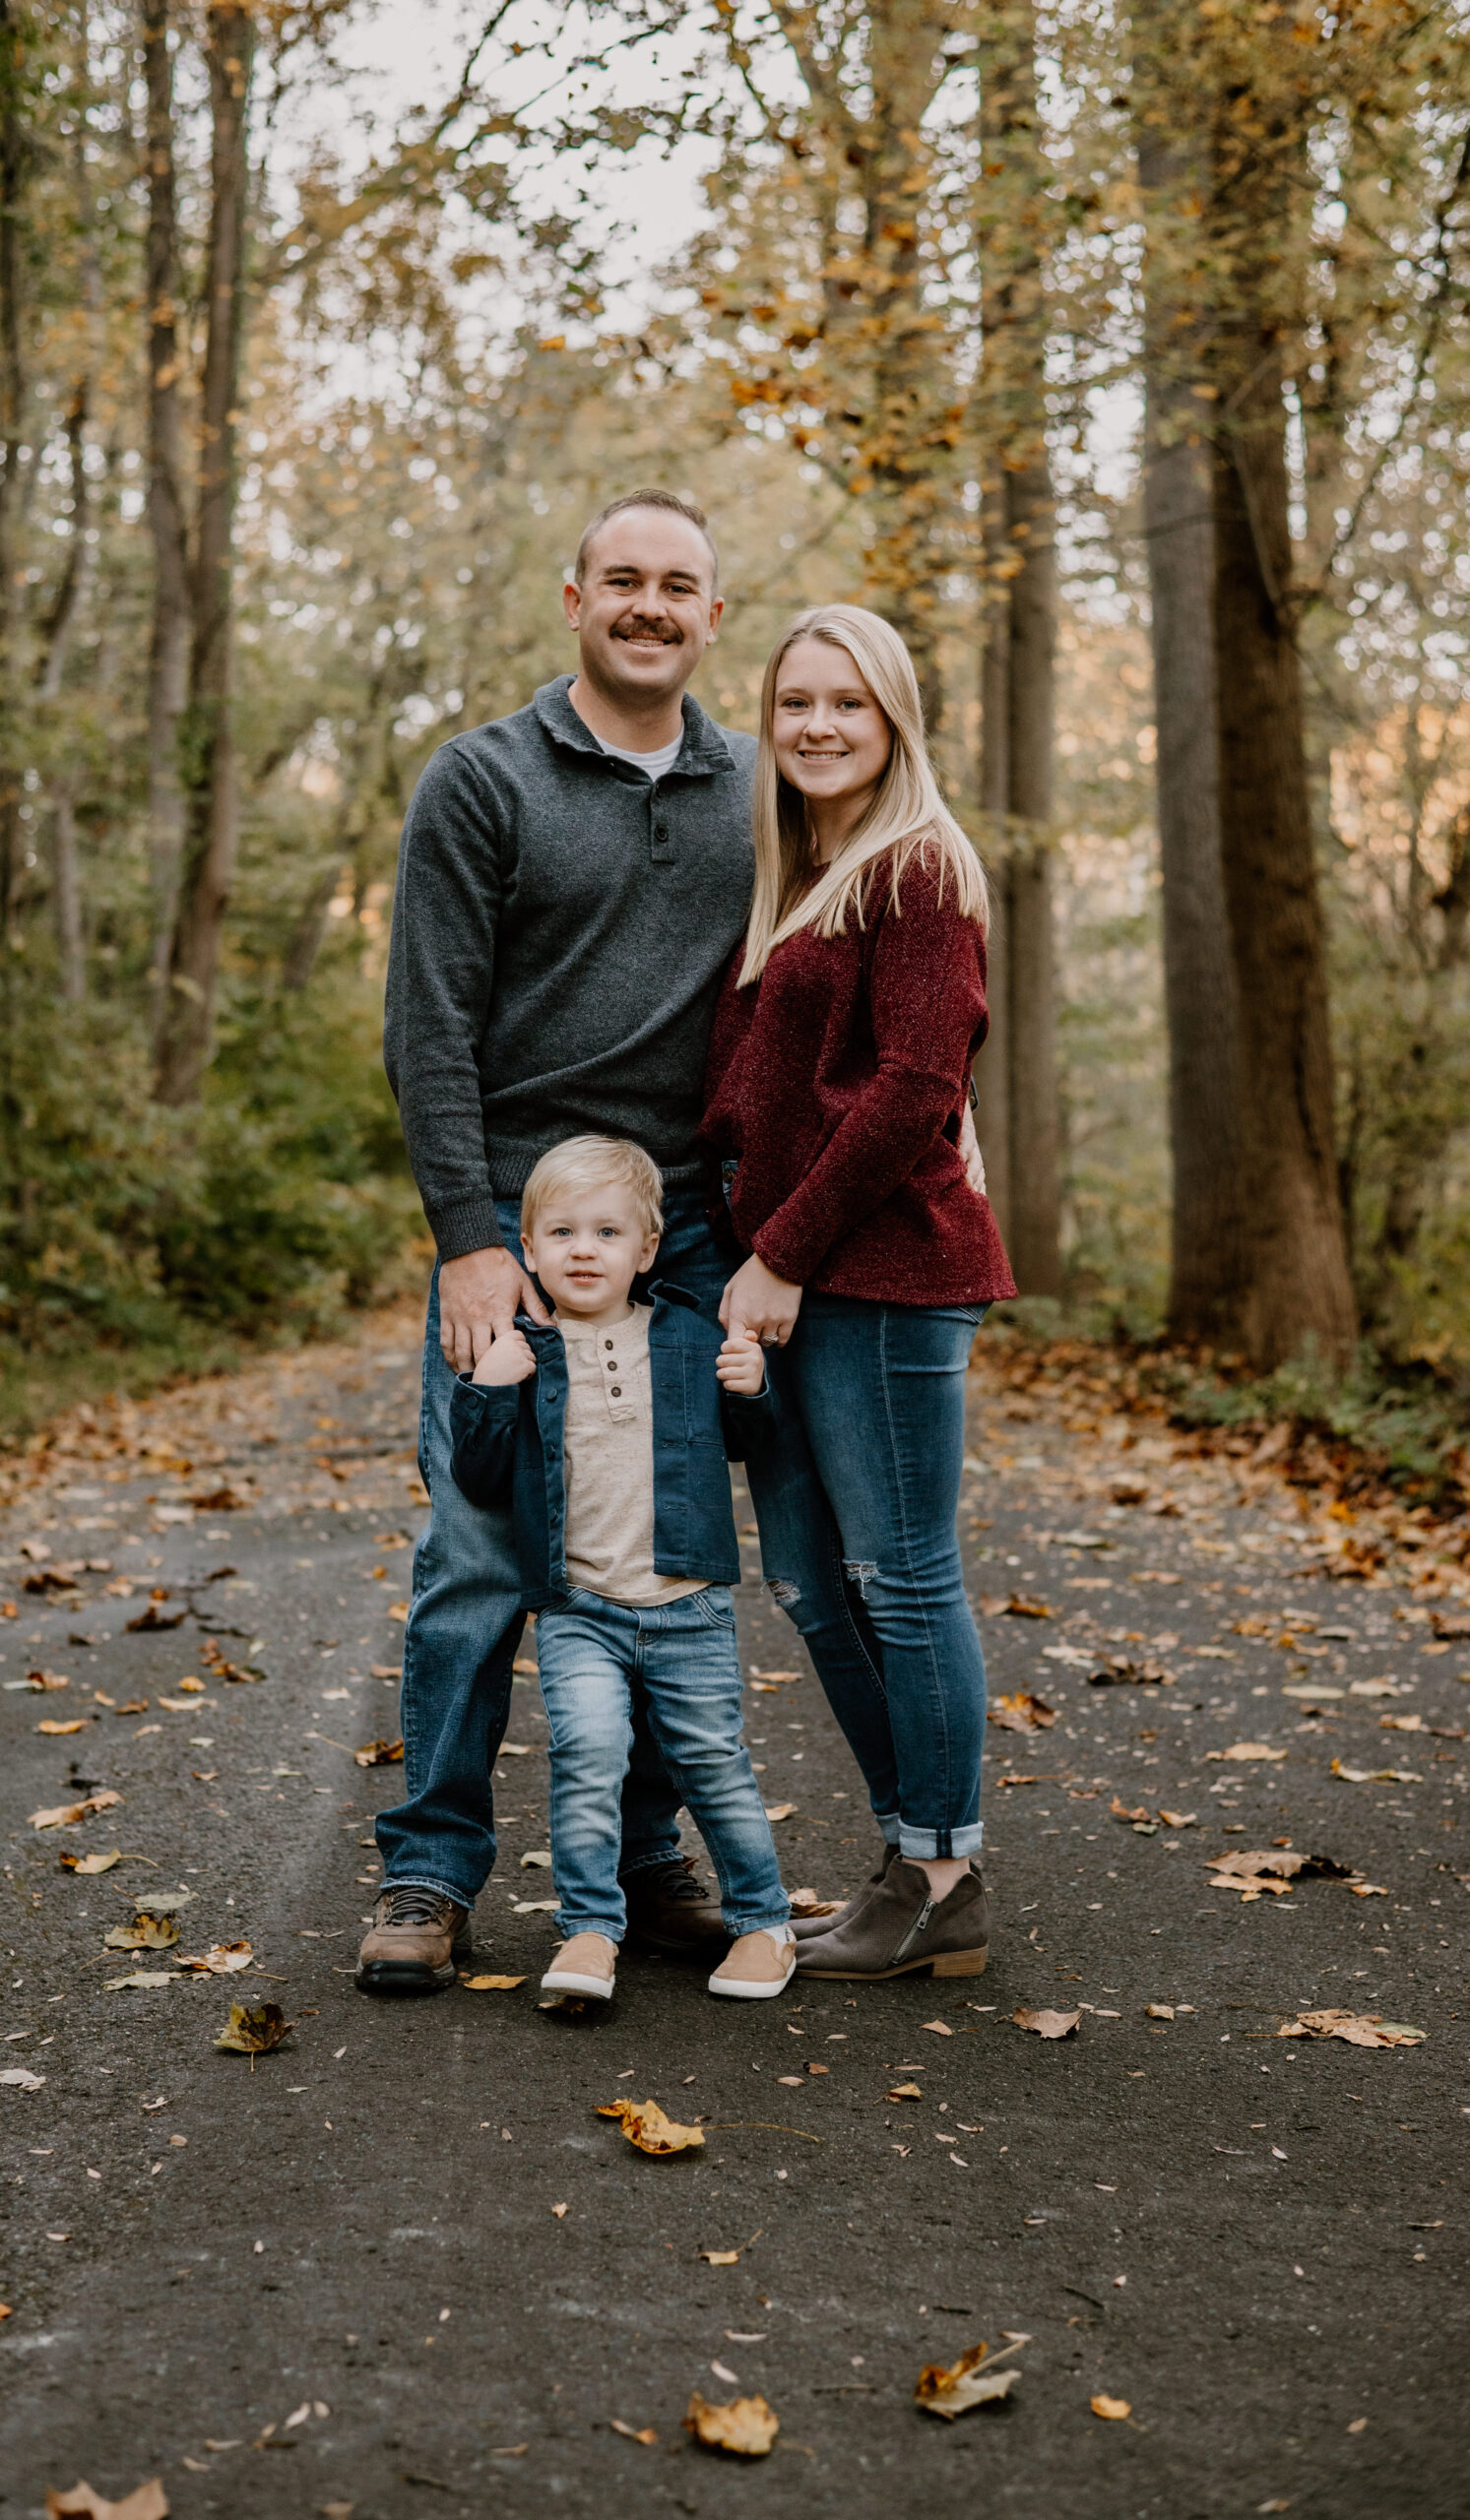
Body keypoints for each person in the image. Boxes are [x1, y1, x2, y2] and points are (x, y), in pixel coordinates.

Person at [363, 488, 759, 1991]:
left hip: (686, 1238)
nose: (652, 606)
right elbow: (430, 1027)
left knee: (653, 1560)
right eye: (625, 581)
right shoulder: (481, 781)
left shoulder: (758, 787)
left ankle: (642, 1864)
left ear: (714, 616)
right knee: (478, 1551)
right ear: (575, 596)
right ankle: (428, 1870)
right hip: (520, 1228)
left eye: (682, 585)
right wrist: (471, 1241)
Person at [699, 603, 1017, 1982]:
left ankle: (941, 1866)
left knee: (898, 1574)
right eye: (794, 703)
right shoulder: (799, 872)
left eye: (847, 703)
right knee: (812, 1586)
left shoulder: (918, 869)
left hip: (881, 1275)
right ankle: (915, 1853)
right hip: (784, 1271)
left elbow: (912, 1089)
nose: (817, 725)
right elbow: (760, 1090)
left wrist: (780, 1255)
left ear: (893, 721)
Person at [449, 1134, 796, 2003]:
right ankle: (589, 1932)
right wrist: (489, 1388)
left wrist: (752, 1386)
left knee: (712, 1761)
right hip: (579, 1609)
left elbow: (755, 1447)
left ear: (646, 1249)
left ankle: (762, 1923)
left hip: (688, 1602)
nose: (582, 1249)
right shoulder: (525, 1352)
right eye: (560, 1232)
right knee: (588, 1754)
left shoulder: (688, 1333)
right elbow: (477, 1480)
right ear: (528, 1249)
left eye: (607, 1233)